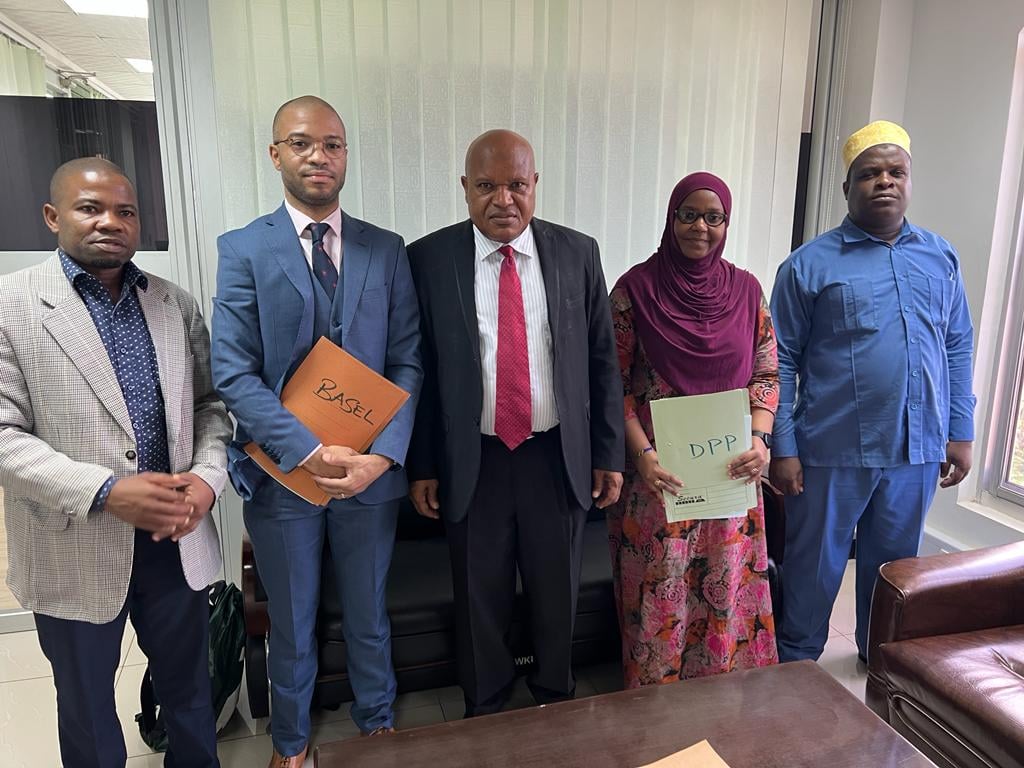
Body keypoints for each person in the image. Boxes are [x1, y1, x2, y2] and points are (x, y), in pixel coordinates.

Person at [211, 96, 422, 766]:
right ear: (276, 154)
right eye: (301, 144)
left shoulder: (385, 250)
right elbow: (232, 371)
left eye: (332, 144)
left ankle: (377, 725)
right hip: (281, 476)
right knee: (293, 623)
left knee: (368, 614)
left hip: (367, 477)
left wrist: (382, 457)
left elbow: (407, 358)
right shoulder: (243, 249)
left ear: (346, 155)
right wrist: (306, 447)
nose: (318, 157)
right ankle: (292, 743)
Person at [0, 158, 231, 767]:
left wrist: (208, 482)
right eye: (90, 208)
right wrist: (106, 490)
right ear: (53, 217)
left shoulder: (172, 304)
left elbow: (209, 405)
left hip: (173, 539)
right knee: (86, 707)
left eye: (125, 211)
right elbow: (3, 435)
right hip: (74, 542)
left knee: (188, 693)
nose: (110, 222)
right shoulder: (12, 305)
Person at [406, 129, 624, 716]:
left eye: (516, 185)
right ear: (464, 188)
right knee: (481, 593)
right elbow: (419, 370)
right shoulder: (428, 258)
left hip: (554, 455)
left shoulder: (579, 253)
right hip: (472, 457)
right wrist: (422, 464)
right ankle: (486, 701)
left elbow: (602, 361)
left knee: (558, 591)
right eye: (486, 186)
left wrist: (608, 453)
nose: (503, 199)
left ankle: (555, 695)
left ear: (535, 186)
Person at [769, 120, 976, 662]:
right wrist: (783, 448)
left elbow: (957, 346)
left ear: (910, 180)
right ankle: (795, 663)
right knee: (815, 565)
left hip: (916, 449)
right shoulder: (807, 266)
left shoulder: (941, 257)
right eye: (869, 174)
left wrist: (961, 431)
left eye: (895, 171)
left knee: (893, 570)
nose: (884, 181)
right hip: (830, 450)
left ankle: (876, 658)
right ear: (848, 188)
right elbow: (778, 362)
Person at [606, 172, 779, 688]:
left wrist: (760, 440)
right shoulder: (634, 290)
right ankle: (656, 716)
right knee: (661, 600)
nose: (700, 227)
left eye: (713, 217)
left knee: (724, 594)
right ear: (671, 217)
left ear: (726, 223)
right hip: (659, 482)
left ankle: (720, 706)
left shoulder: (747, 291)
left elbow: (767, 374)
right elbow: (611, 384)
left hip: (730, 479)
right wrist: (641, 455)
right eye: (689, 214)